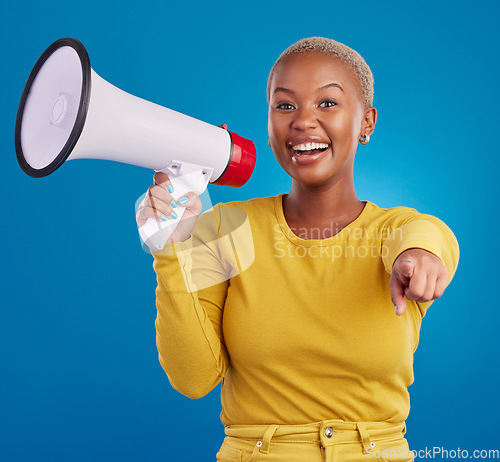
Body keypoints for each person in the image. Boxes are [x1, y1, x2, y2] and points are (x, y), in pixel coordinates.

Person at [136, 37, 459, 462]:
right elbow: (193, 378)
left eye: (328, 104)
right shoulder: (225, 228)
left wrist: (417, 256)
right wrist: (172, 248)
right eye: (285, 106)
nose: (303, 121)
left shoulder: (395, 232)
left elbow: (427, 236)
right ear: (268, 127)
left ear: (367, 122)